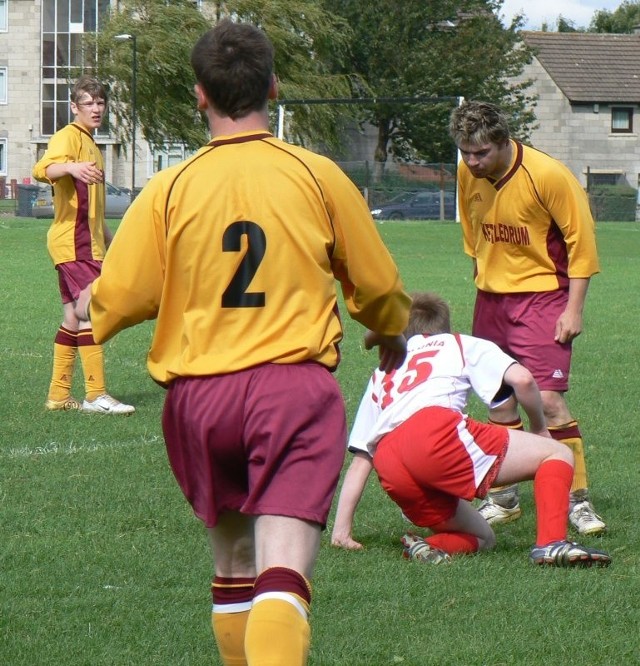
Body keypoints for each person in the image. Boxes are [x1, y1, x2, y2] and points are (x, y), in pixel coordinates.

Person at [76, 20, 410, 666]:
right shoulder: (316, 175)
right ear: (274, 89)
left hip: (198, 400)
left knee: (235, 563)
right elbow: (377, 285)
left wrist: (99, 304)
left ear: (199, 94)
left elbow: (118, 302)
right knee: (283, 571)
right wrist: (387, 326)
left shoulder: (168, 188)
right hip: (290, 392)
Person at [331, 292, 611, 568]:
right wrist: (539, 428)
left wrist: (341, 530)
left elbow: (360, 459)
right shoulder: (458, 343)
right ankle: (552, 543)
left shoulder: (383, 370)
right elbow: (523, 380)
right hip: (435, 433)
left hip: (390, 463)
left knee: (483, 537)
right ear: (444, 326)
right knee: (557, 453)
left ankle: (426, 546)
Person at [448, 100, 605, 536]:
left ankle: (578, 499)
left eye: (481, 153)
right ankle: (505, 498)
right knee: (500, 399)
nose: (472, 161)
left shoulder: (549, 175)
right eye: (465, 152)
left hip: (544, 299)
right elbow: (473, 232)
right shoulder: (467, 172)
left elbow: (582, 244)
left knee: (549, 399)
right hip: (491, 301)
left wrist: (573, 309)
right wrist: (482, 278)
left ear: (503, 141)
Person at [32, 75, 135, 415]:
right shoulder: (67, 136)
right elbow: (41, 169)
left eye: (100, 103)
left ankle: (59, 396)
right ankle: (96, 394)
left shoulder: (92, 142)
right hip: (73, 244)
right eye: (88, 103)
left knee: (73, 320)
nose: (96, 108)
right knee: (93, 309)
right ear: (74, 107)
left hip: (82, 244)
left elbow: (93, 210)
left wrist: (114, 243)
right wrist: (71, 167)